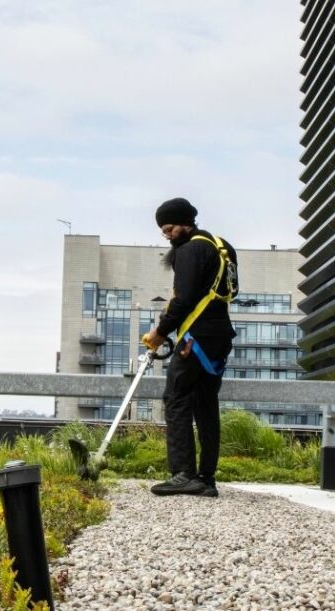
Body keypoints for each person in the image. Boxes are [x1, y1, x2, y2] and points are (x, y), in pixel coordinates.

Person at [141, 197, 237, 497]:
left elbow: (183, 300)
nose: (166, 235)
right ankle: (206, 479)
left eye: (168, 228)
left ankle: (183, 474)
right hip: (220, 334)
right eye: (163, 231)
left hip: (196, 337)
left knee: (177, 398)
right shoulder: (222, 247)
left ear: (184, 223)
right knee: (206, 403)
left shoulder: (189, 250)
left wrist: (160, 331)